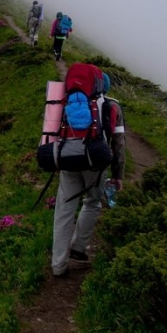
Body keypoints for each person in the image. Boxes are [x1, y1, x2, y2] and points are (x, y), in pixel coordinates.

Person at [51, 71, 126, 277]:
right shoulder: (112, 106)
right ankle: (78, 247)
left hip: (68, 161)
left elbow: (54, 131)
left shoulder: (68, 101)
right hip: (96, 164)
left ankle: (58, 265)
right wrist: (118, 175)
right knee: (92, 202)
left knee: (64, 210)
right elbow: (119, 144)